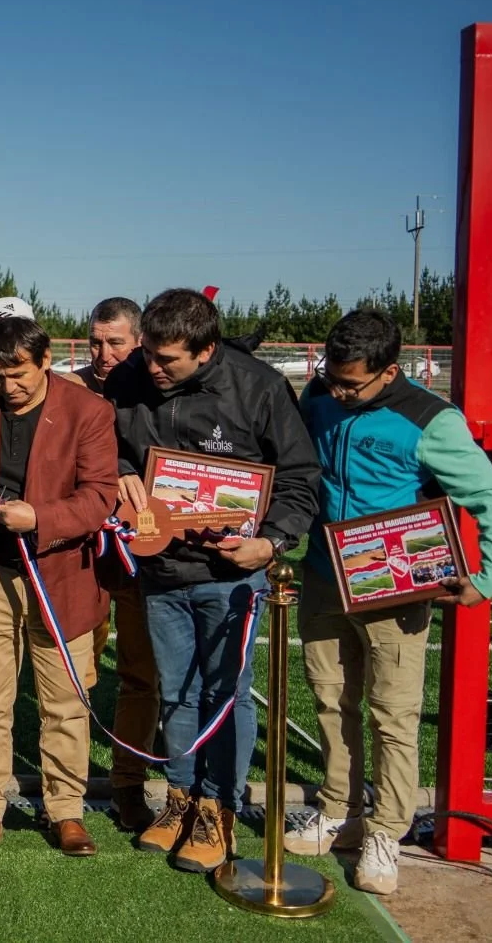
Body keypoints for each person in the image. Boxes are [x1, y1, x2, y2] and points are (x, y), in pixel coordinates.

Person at [287, 309, 492, 894]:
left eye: (351, 384)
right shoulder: (319, 396)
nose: (338, 391)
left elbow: (489, 496)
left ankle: (386, 831)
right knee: (330, 699)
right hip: (324, 575)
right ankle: (340, 810)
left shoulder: (432, 420)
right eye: (332, 378)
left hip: (396, 588)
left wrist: (487, 580)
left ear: (389, 371)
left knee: (393, 715)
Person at [107, 288, 319, 873]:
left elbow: (301, 478)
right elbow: (105, 443)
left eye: (166, 359)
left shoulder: (259, 388)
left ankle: (218, 808)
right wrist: (121, 470)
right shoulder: (128, 377)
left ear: (205, 350)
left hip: (231, 576)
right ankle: (180, 797)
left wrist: (269, 543)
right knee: (177, 691)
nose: (152, 367)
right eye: (147, 353)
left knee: (225, 693)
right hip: (160, 570)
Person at [0, 316, 117, 856]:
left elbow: (100, 496)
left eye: (19, 375)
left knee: (66, 703)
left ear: (46, 360)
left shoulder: (89, 411)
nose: (8, 387)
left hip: (62, 577)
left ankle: (66, 810)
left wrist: (41, 519)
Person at [70, 295, 159, 833]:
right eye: (96, 342)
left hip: (137, 553)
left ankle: (128, 781)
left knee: (139, 674)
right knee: (75, 675)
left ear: (139, 341)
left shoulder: (153, 390)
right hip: (79, 557)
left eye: (116, 343)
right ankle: (68, 784)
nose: (103, 354)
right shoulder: (70, 388)